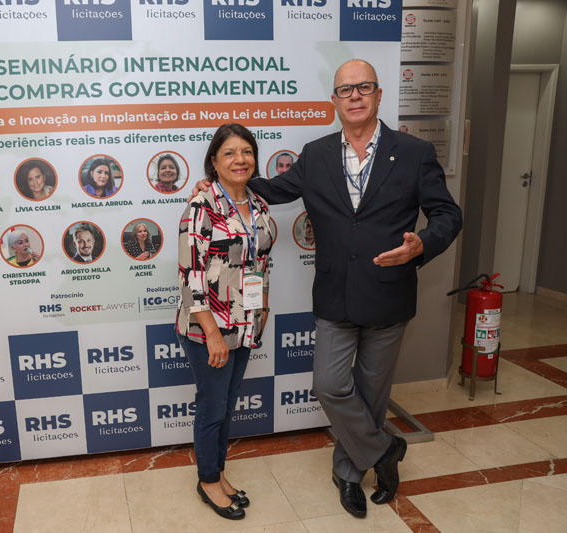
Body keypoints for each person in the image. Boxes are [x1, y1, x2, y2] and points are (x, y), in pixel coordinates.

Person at [191, 59, 462, 519]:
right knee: (330, 385)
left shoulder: (413, 153)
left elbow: (448, 215)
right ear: (334, 101)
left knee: (372, 394)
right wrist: (223, 181)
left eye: (364, 88)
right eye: (345, 90)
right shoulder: (316, 154)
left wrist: (422, 245)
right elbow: (273, 189)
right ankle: (385, 449)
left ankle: (349, 474)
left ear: (378, 95)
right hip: (335, 295)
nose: (355, 96)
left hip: (390, 294)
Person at [177, 123, 272, 521]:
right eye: (229, 153)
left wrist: (262, 309)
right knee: (212, 407)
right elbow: (190, 277)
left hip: (246, 324)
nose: (240, 159)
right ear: (214, 162)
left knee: (227, 406)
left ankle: (217, 472)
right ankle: (208, 480)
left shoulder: (259, 205)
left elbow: (260, 262)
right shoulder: (202, 206)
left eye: (246, 151)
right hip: (209, 328)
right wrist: (213, 333)